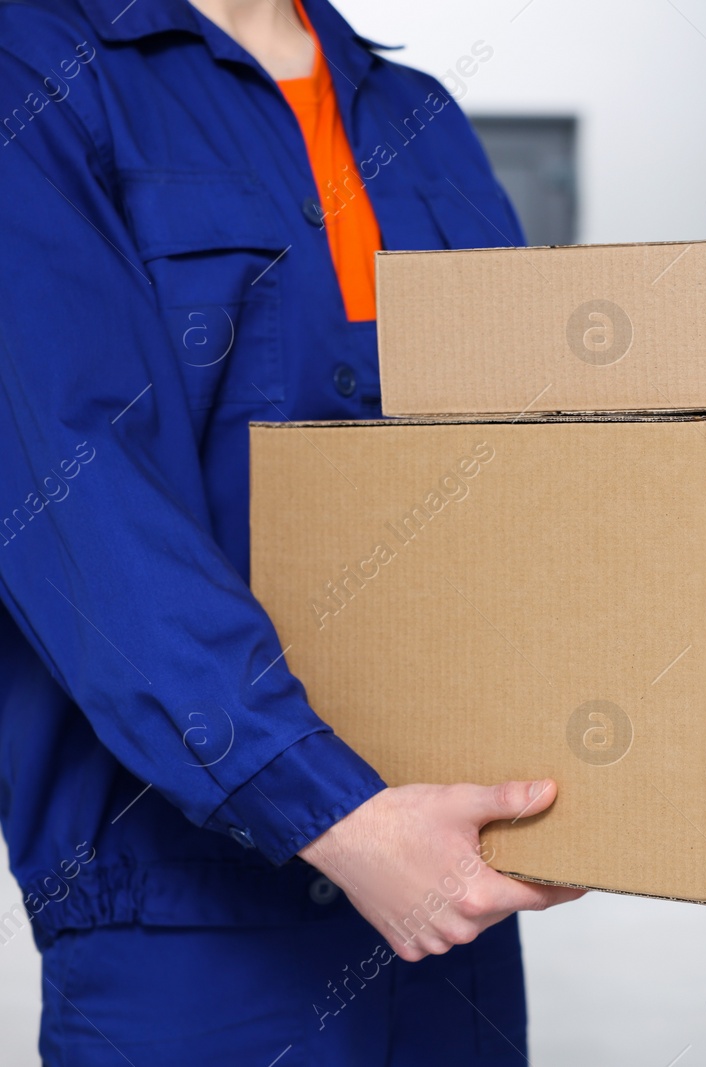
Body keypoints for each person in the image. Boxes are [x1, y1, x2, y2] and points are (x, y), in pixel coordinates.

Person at [0, 0, 583, 1062]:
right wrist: (340, 819)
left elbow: (535, 475)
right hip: (185, 921)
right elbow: (75, 501)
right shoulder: (36, 69)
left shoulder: (416, 113)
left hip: (456, 896)